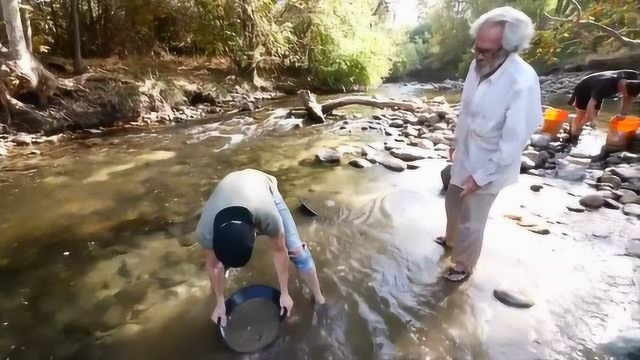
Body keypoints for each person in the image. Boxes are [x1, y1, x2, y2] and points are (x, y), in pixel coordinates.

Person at [435, 7, 543, 281]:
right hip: (467, 150)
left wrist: (482, 177)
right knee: (452, 201)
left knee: (473, 218)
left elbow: (515, 139)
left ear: (510, 48)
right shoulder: (477, 65)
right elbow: (467, 109)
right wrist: (456, 141)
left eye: (488, 50)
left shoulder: (522, 80)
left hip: (493, 160)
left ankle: (462, 264)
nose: (479, 55)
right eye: (477, 47)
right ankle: (450, 240)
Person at [195, 168, 325, 326]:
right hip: (229, 191)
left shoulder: (268, 216)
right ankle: (217, 296)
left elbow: (279, 250)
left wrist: (285, 293)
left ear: (256, 231)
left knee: (296, 251)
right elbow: (213, 266)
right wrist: (220, 302)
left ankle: (319, 299)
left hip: (262, 184)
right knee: (221, 263)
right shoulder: (205, 232)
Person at [568, 70, 640, 143]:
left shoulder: (634, 79)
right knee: (581, 114)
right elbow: (591, 105)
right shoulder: (605, 86)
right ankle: (574, 136)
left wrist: (623, 114)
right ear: (623, 86)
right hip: (584, 88)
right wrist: (593, 120)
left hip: (597, 87)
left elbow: (628, 97)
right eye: (624, 93)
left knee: (594, 114)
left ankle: (579, 125)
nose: (623, 95)